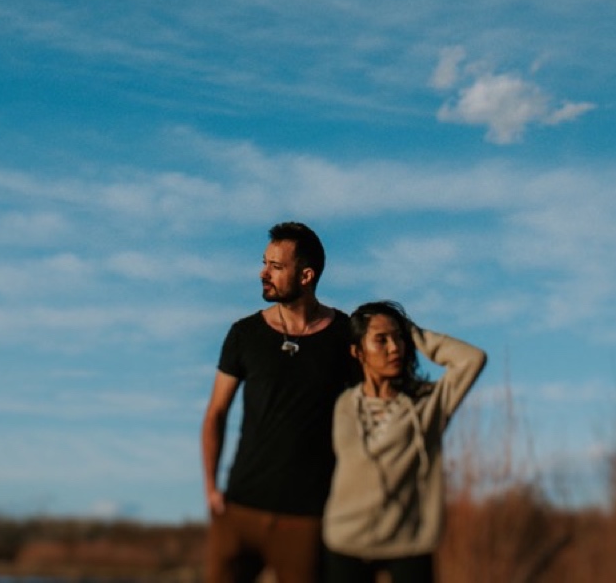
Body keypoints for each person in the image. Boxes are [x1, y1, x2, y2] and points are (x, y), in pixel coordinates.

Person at [202, 221, 360, 583]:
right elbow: (216, 412)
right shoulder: (245, 334)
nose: (263, 273)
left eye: (276, 266)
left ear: (306, 275)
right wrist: (211, 488)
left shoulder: (344, 335)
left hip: (305, 518)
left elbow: (368, 413)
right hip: (239, 509)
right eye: (264, 263)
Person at [321, 301, 487, 583]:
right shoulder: (343, 404)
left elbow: (472, 359)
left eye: (398, 338)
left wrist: (413, 332)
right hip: (345, 540)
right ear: (357, 351)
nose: (394, 348)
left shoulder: (427, 402)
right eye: (381, 340)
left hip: (409, 542)